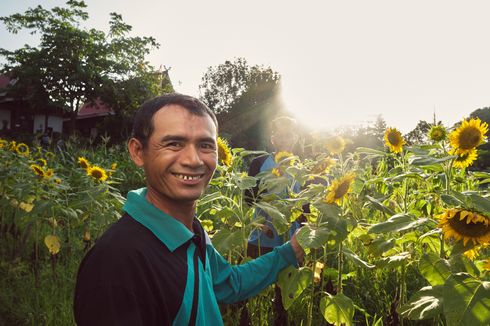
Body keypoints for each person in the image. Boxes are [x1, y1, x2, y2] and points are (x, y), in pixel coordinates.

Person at [73, 93, 304, 325]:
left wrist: (289, 251)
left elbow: (230, 284)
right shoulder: (116, 265)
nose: (193, 160)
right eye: (174, 143)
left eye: (205, 145)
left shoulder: (192, 234)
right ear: (138, 152)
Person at [244, 116, 306, 325]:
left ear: (295, 137)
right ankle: (249, 318)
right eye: (280, 134)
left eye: (289, 134)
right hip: (263, 234)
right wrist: (263, 219)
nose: (285, 138)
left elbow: (306, 206)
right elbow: (248, 198)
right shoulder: (259, 163)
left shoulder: (302, 166)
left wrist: (304, 236)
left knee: (285, 289)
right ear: (273, 138)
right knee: (254, 281)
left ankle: (281, 319)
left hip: (291, 236)